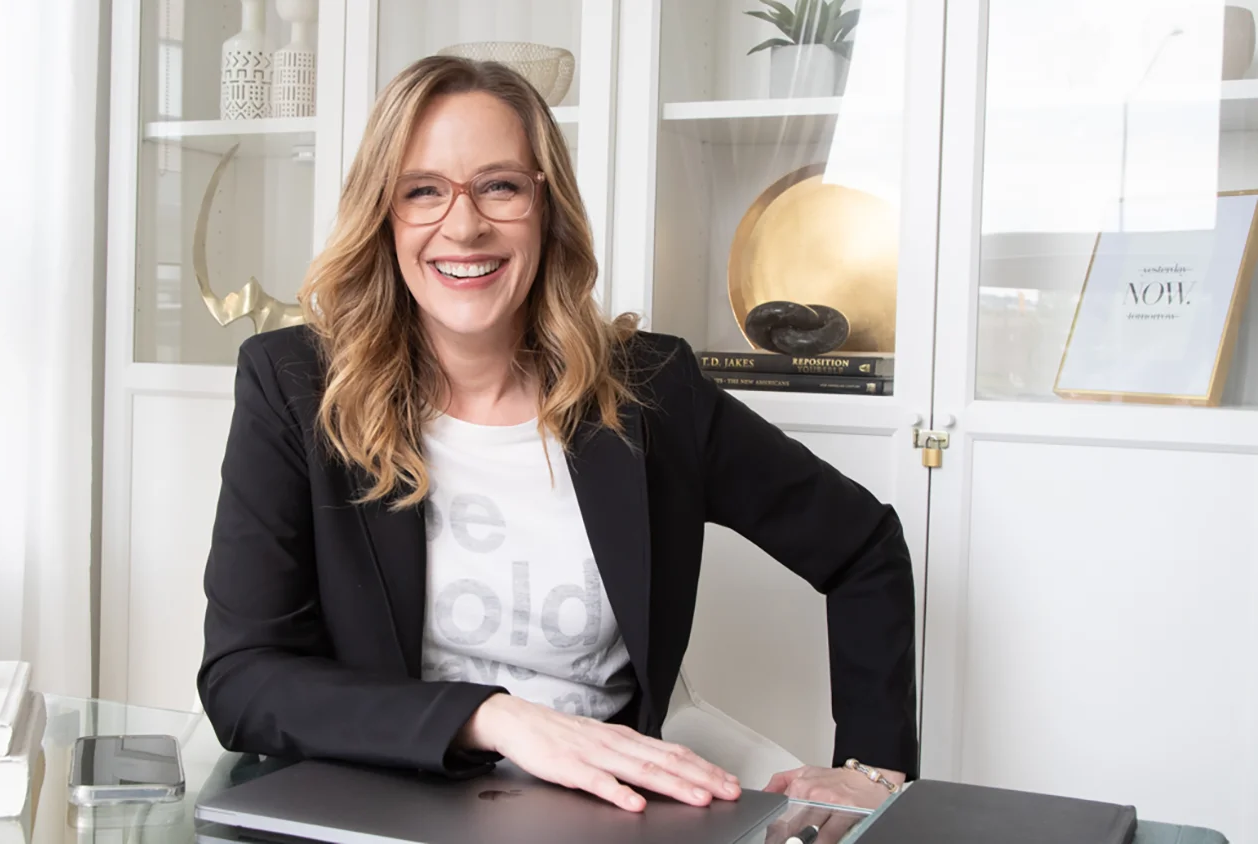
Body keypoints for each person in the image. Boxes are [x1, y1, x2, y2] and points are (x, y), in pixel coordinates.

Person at [198, 55, 917, 815]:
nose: (464, 223)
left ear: (547, 206)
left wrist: (871, 768)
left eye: (500, 185)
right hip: (376, 801)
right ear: (384, 215)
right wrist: (493, 715)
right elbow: (242, 678)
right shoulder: (294, 386)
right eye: (424, 191)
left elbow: (863, 545)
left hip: (598, 817)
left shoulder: (651, 392)